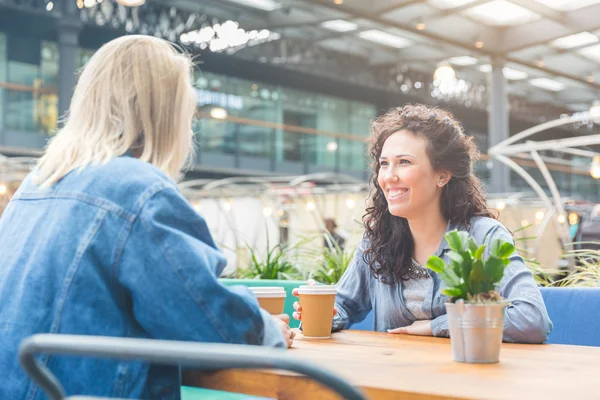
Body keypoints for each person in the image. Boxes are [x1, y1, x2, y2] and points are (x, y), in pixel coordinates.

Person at [0, 35, 293, 400]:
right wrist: (266, 330)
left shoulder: (34, 185)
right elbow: (209, 324)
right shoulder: (137, 190)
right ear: (168, 113)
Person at [293, 104, 552, 343]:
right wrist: (323, 312)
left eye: (404, 162)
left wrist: (438, 325)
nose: (389, 176)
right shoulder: (378, 239)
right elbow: (345, 305)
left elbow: (532, 319)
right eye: (384, 164)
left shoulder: (483, 237)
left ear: (442, 175)